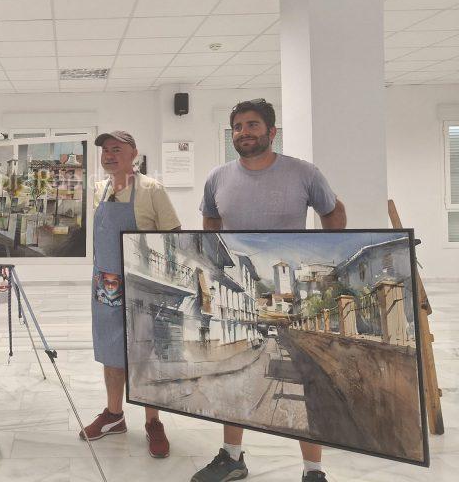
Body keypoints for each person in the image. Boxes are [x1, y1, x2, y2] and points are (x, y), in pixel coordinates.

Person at [191, 99, 346, 482]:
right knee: (233, 377)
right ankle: (232, 457)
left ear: (271, 131)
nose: (244, 132)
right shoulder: (217, 177)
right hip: (244, 290)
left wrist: (331, 255)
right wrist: (215, 267)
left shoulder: (304, 173)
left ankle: (313, 470)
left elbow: (332, 211)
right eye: (238, 126)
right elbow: (210, 219)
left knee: (303, 375)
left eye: (252, 125)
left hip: (291, 293)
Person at [80, 131, 181, 458]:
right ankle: (114, 416)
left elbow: (174, 236)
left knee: (145, 352)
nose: (109, 155)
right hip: (107, 284)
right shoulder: (98, 190)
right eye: (105, 150)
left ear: (134, 153)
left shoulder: (152, 190)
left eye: (116, 149)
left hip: (143, 284)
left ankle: (153, 421)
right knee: (111, 349)